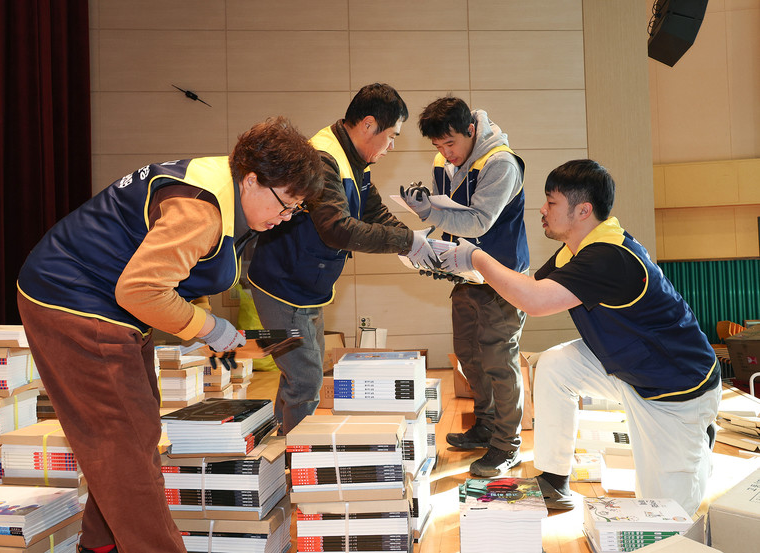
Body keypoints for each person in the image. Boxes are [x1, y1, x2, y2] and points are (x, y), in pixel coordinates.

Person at [16, 117, 324, 553]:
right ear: (252, 180)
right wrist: (209, 327)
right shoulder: (200, 211)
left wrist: (207, 325)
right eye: (285, 204)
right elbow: (140, 290)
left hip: (108, 305)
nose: (286, 217)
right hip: (74, 301)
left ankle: (100, 544)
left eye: (296, 209)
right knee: (124, 441)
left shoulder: (222, 185)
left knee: (135, 430)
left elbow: (182, 272)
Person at [439, 159, 721, 515]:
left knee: (666, 514)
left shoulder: (608, 257)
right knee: (556, 366)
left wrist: (475, 257)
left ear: (583, 210)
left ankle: (696, 440)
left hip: (676, 392)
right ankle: (554, 480)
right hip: (630, 367)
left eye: (551, 202)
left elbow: (534, 301)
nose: (542, 210)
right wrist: (459, 264)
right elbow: (527, 286)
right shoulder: (576, 251)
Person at [247, 83, 438, 434]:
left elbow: (373, 210)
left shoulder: (353, 160)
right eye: (391, 136)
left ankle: (283, 447)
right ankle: (299, 460)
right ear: (368, 125)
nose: (392, 146)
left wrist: (417, 245)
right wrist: (408, 241)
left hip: (306, 286)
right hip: (283, 284)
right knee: (305, 380)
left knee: (300, 375)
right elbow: (337, 229)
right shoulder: (325, 158)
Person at [401, 96, 529, 477]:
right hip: (466, 272)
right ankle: (486, 425)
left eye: (451, 143)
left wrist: (429, 211)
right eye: (438, 146)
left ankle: (508, 444)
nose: (445, 153)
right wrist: (431, 248)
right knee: (468, 354)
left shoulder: (501, 163)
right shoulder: (444, 161)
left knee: (499, 360)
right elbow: (447, 216)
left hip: (503, 276)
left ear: (471, 130)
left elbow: (477, 222)